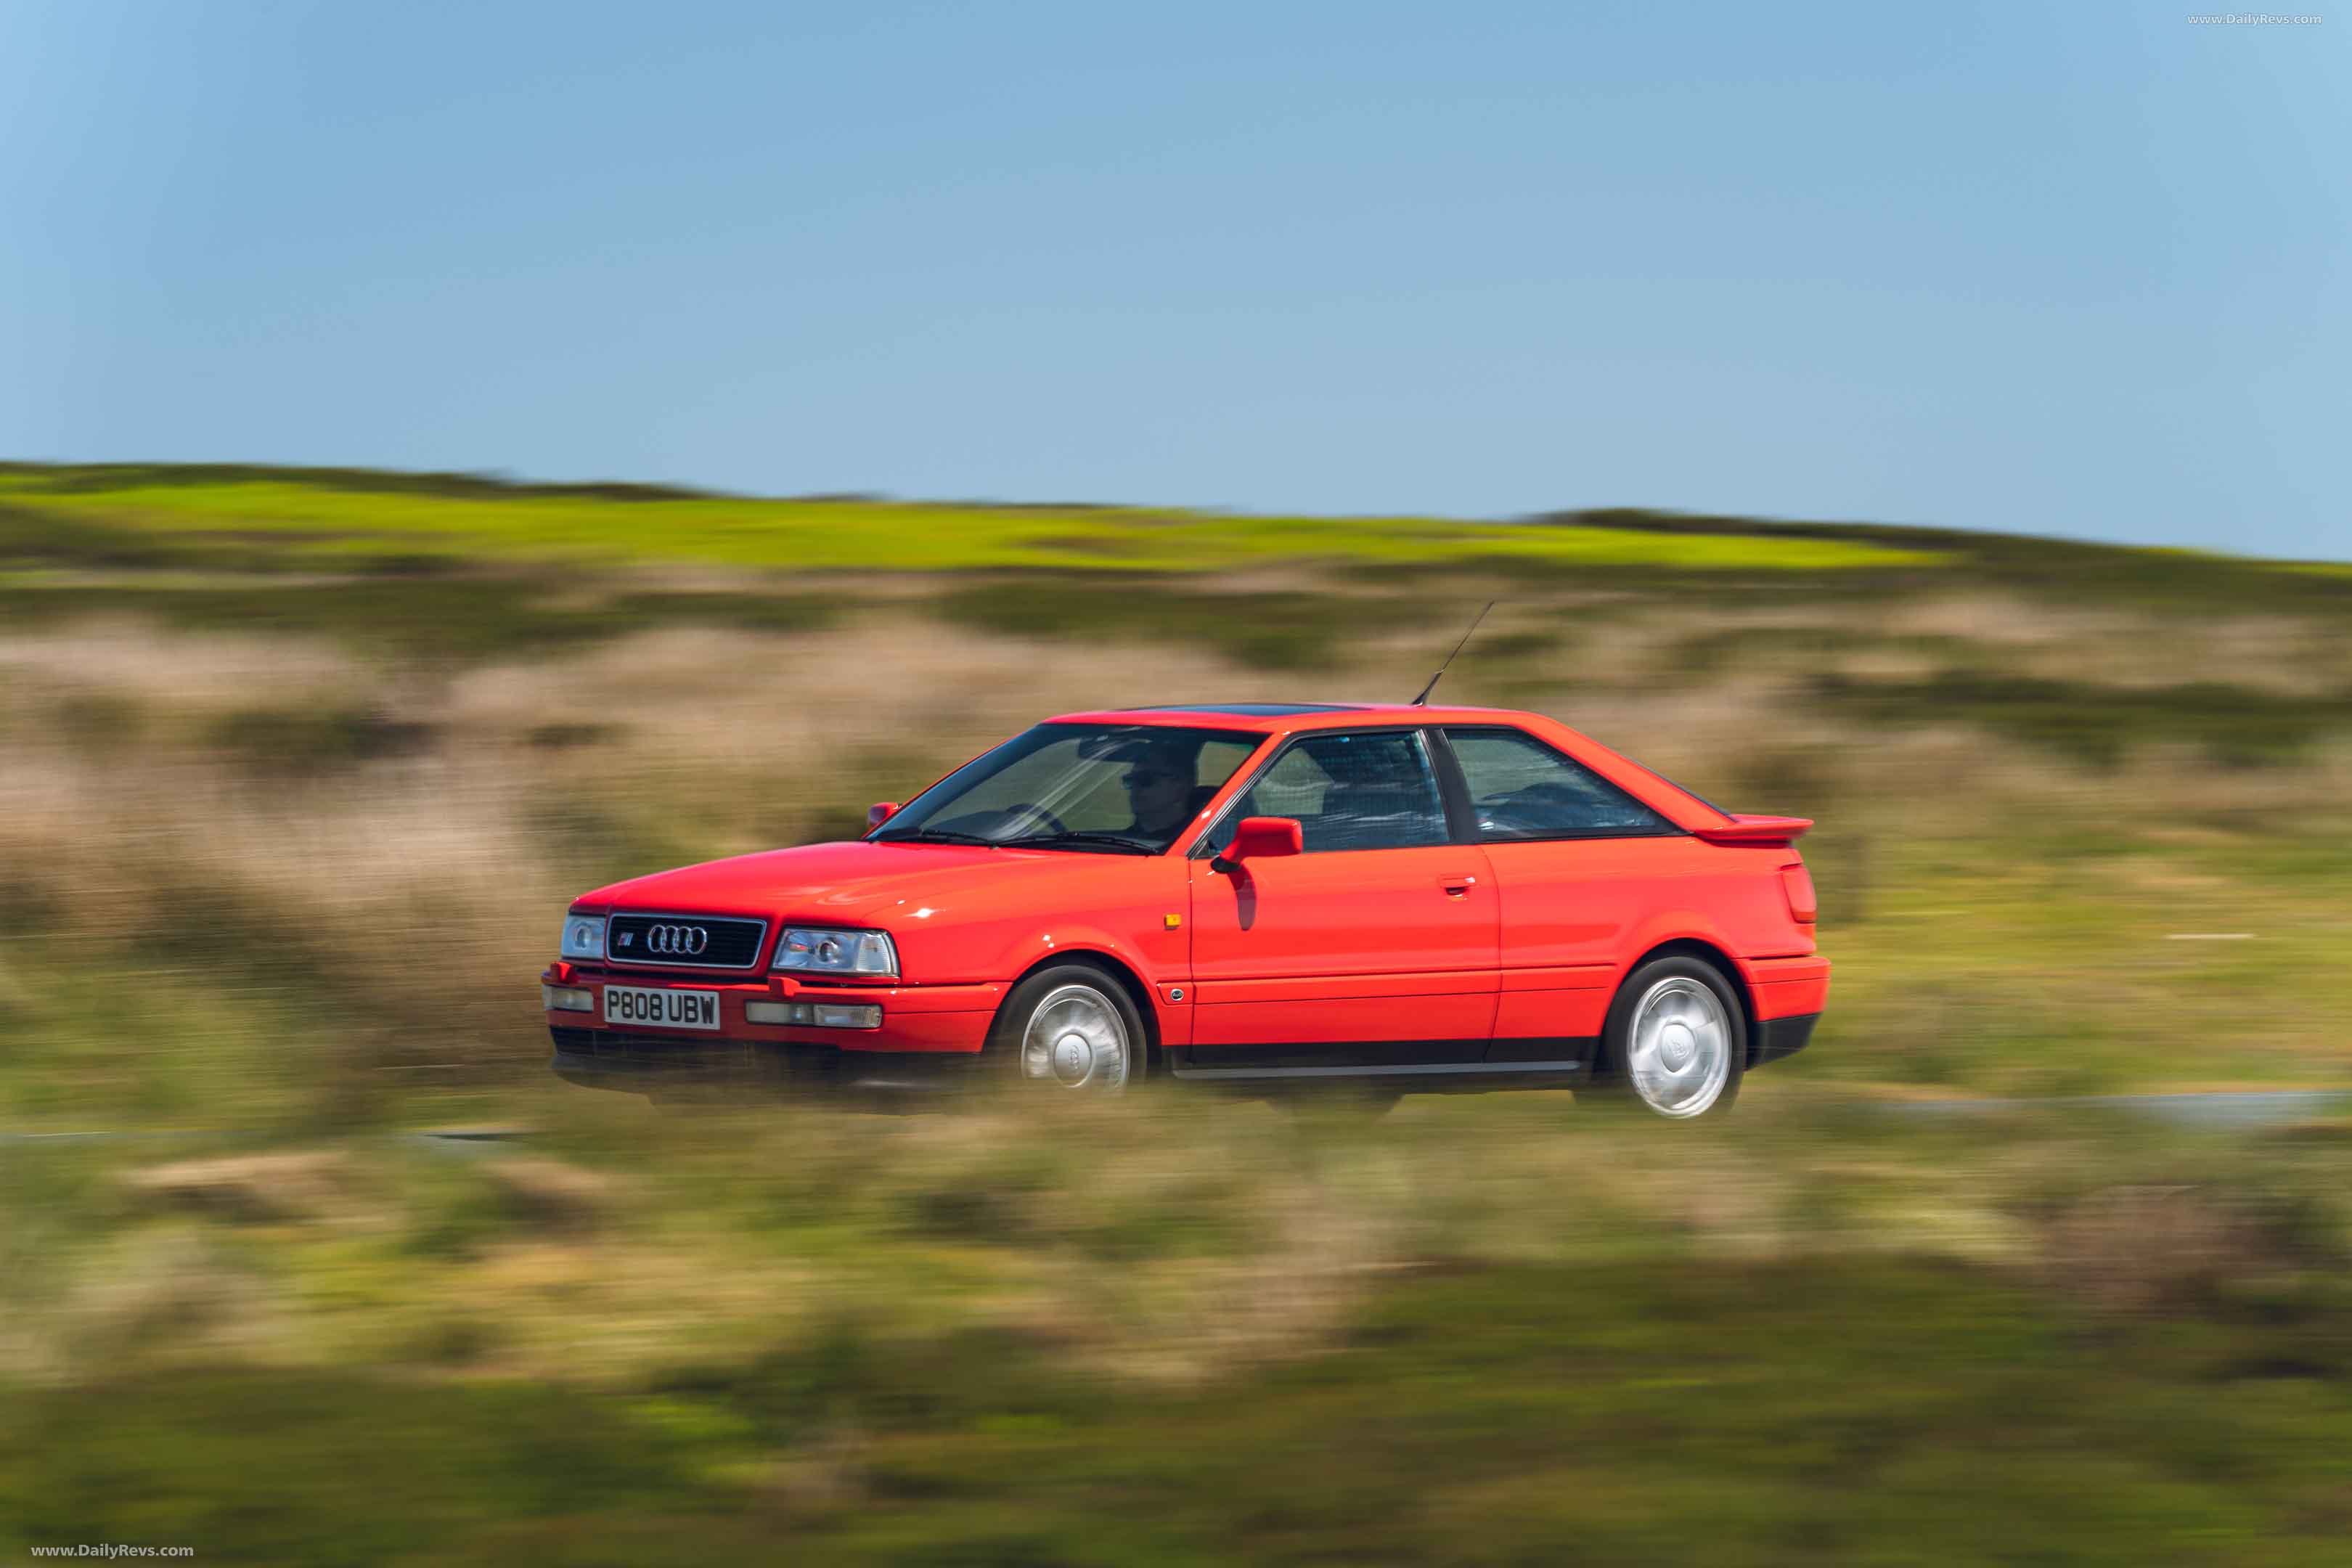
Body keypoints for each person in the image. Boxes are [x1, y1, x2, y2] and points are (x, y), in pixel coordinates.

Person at [1114, 738, 1199, 842]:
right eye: (1130, 780)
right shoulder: (1118, 842)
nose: (1135, 788)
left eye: (1145, 779)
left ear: (1182, 786)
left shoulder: (1197, 843)